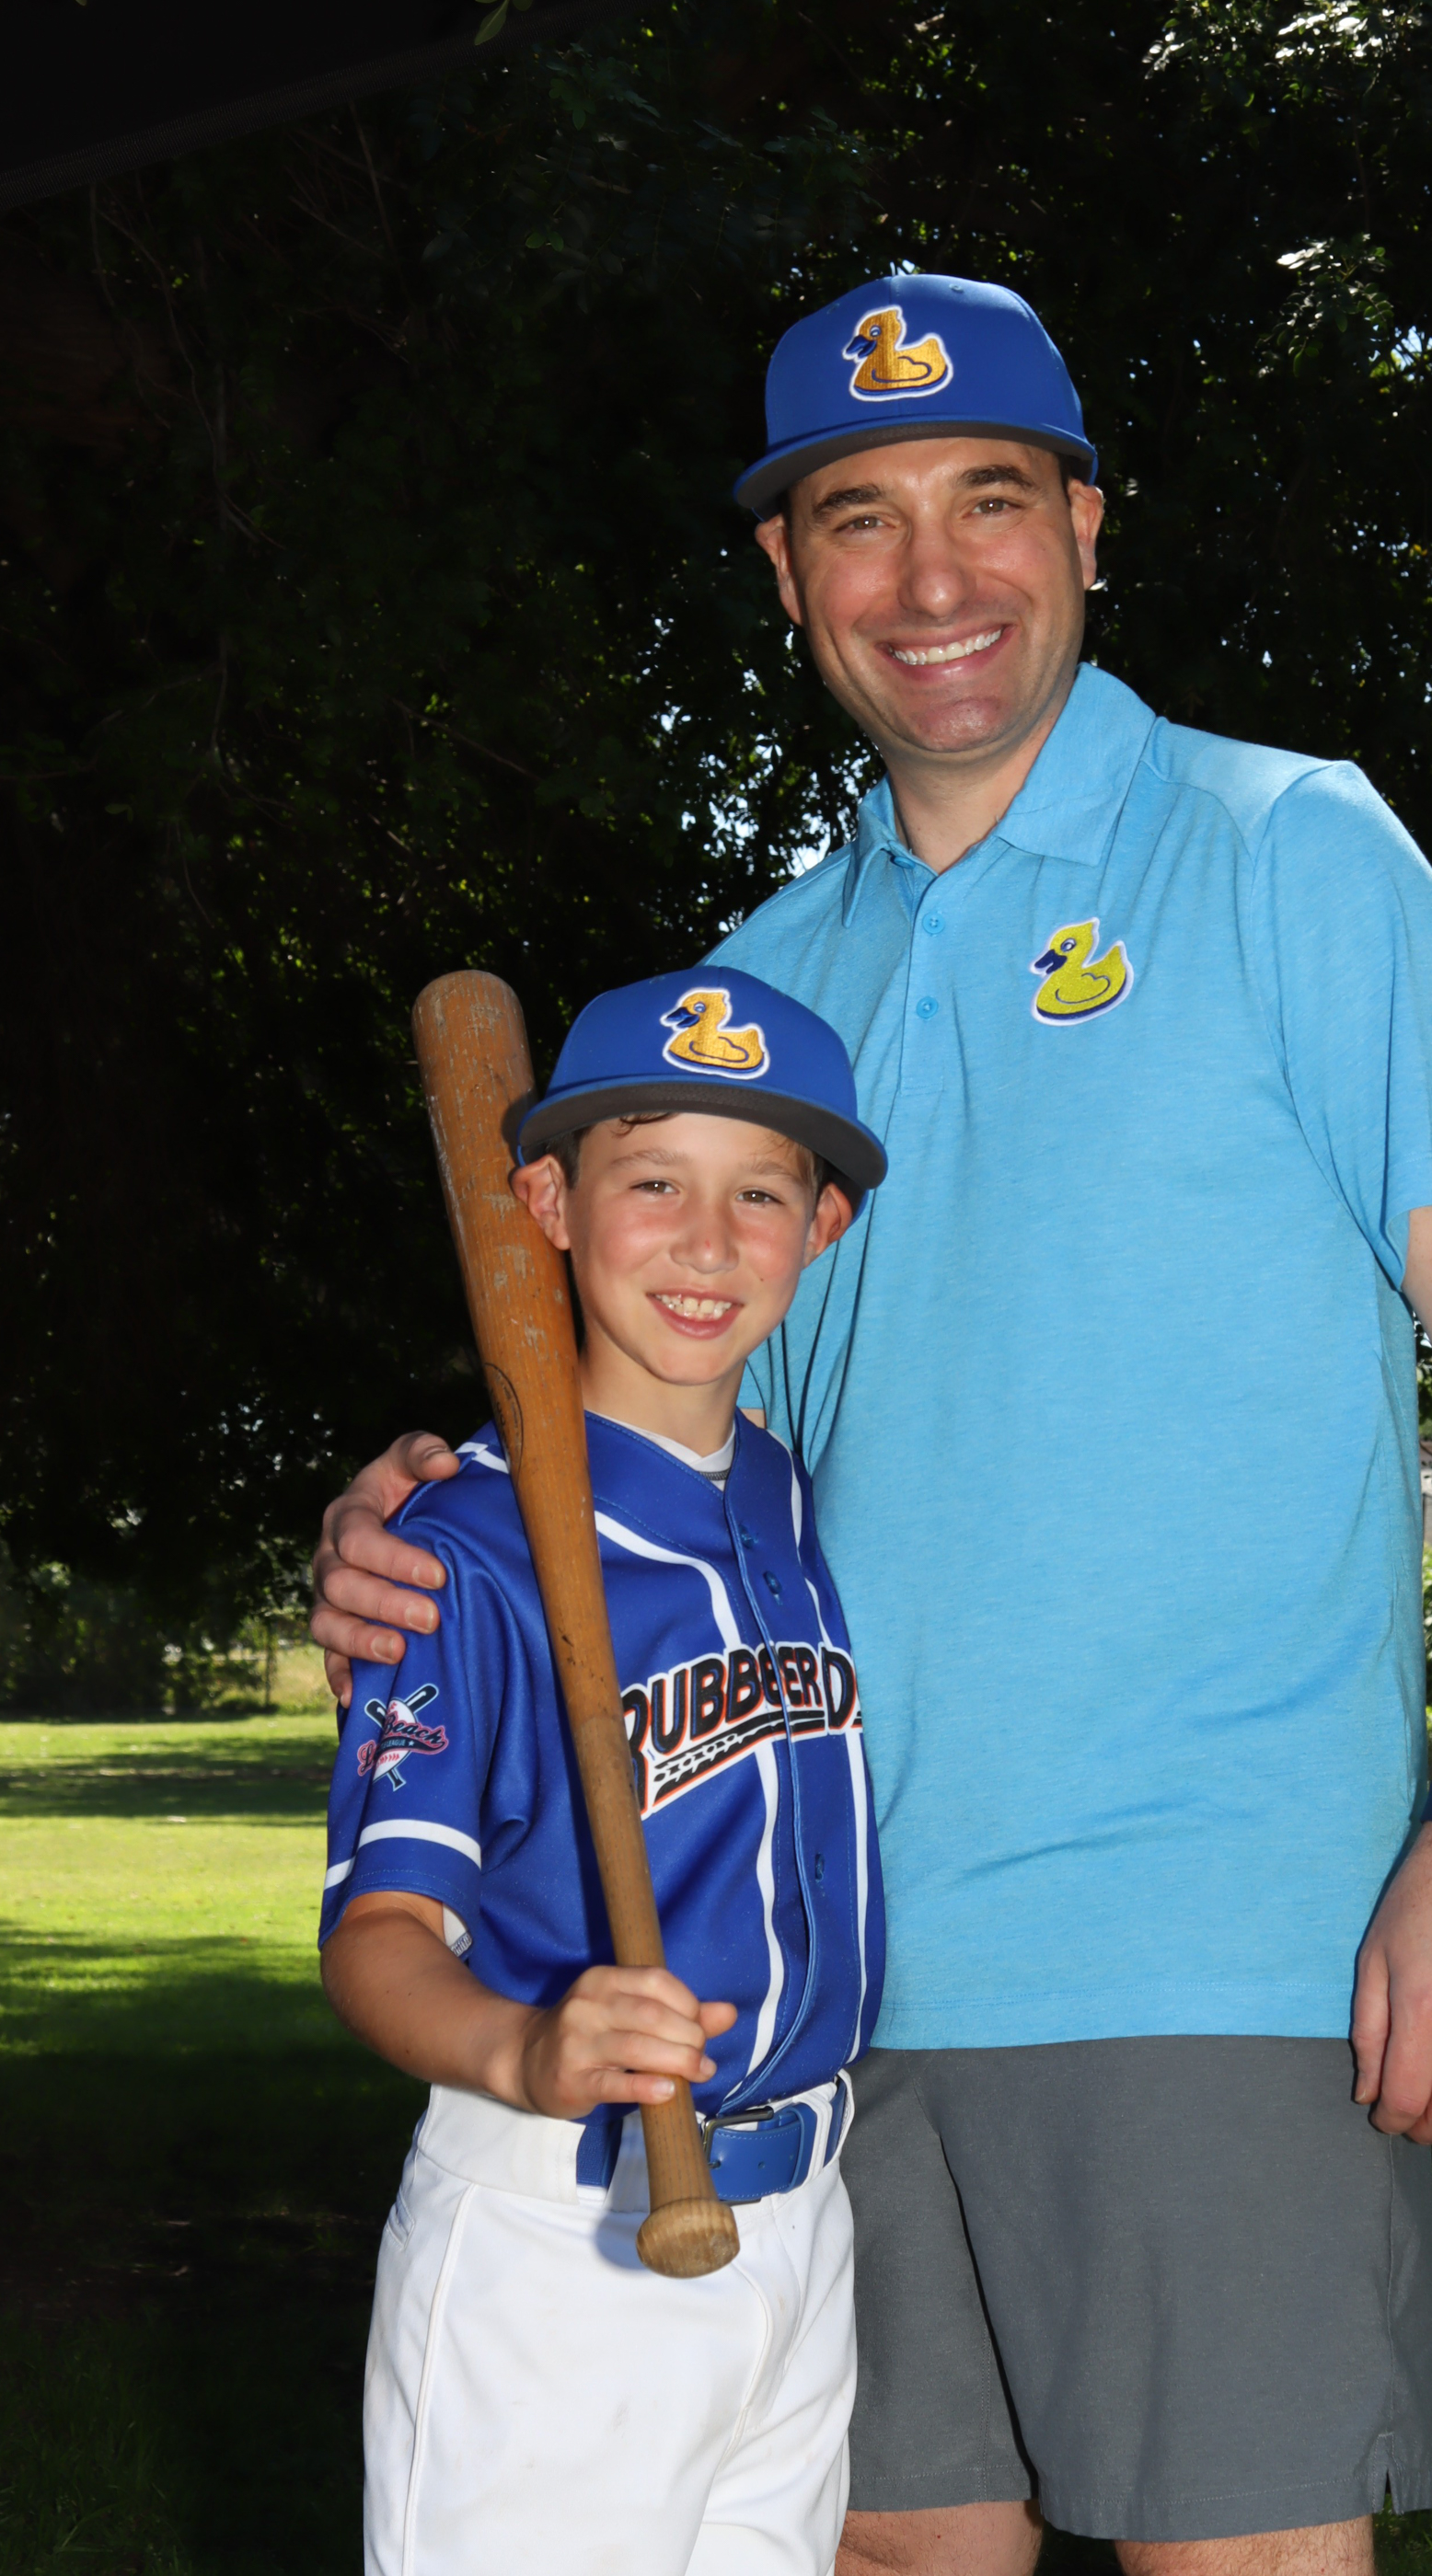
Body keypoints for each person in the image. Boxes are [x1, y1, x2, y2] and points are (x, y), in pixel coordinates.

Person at [313, 276, 1432, 2575]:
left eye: (988, 499)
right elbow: (668, 1410)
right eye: (859, 517)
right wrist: (445, 1501)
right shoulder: (758, 987)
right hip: (818, 1976)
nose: (931, 578)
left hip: (1202, 1944)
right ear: (785, 571)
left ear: (1087, 525)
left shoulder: (1284, 846)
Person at [319, 968, 889, 2576]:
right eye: (652, 1183)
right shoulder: (458, 1548)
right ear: (548, 1205)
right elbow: (375, 1941)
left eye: (758, 1194)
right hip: (559, 2237)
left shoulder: (789, 1495)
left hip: (798, 2227)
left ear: (823, 1226)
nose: (706, 1243)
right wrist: (525, 2047)